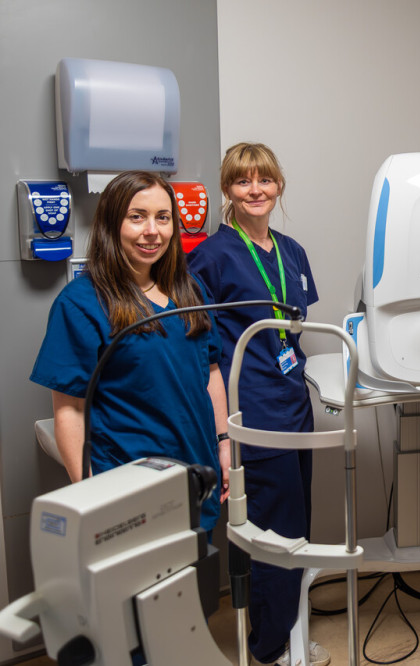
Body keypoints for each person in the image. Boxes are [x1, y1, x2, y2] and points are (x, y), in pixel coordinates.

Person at [187, 143, 328, 666]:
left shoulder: (291, 251)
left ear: (278, 186)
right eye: (243, 182)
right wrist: (223, 431)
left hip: (294, 406)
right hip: (253, 416)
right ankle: (273, 647)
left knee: (297, 526)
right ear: (228, 190)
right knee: (275, 536)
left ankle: (284, 633)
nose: (255, 190)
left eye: (264, 180)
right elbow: (202, 352)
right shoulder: (209, 257)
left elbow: (294, 332)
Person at [30, 170, 228, 533]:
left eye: (163, 217)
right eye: (136, 217)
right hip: (128, 488)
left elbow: (211, 370)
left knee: (193, 581)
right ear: (111, 223)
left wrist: (224, 444)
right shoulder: (82, 303)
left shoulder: (190, 289)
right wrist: (90, 495)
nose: (152, 230)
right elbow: (70, 411)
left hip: (196, 475)